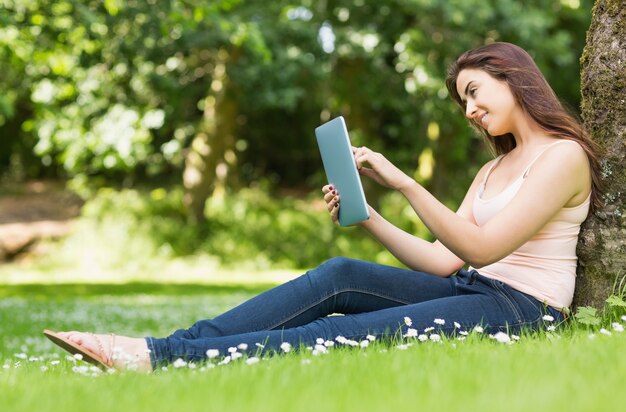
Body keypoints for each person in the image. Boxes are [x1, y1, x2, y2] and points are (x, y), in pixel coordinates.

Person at [44, 42, 602, 372]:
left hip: (522, 311)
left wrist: (405, 184)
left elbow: (484, 247)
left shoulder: (563, 158)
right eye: (463, 101)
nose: (470, 109)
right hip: (473, 289)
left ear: (516, 77)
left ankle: (163, 359)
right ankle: (172, 345)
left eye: (475, 91)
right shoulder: (491, 170)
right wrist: (368, 215)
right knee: (338, 275)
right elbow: (442, 261)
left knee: (341, 331)